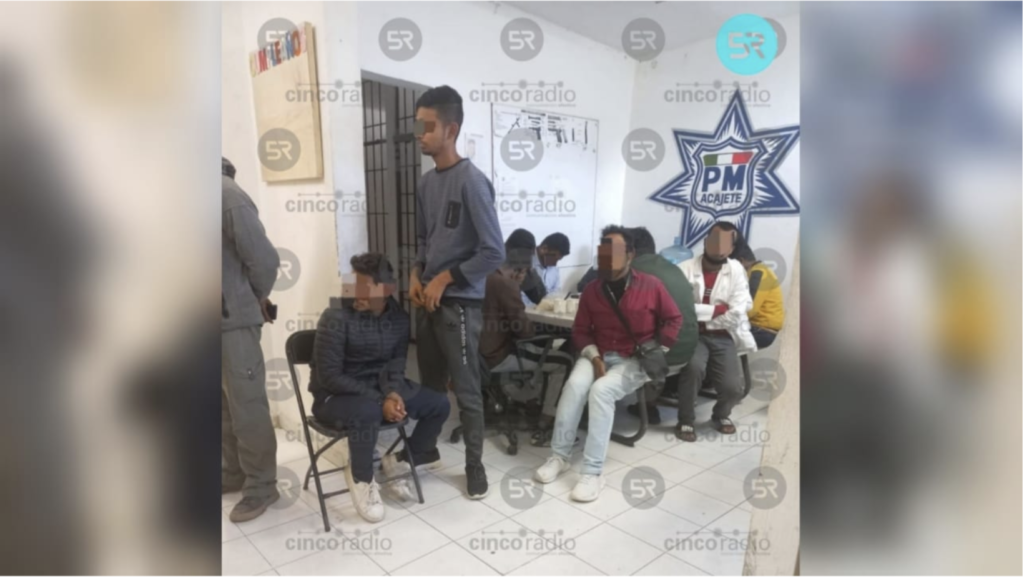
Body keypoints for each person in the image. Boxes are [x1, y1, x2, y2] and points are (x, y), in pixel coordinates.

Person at [534, 226, 682, 502]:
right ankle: (559, 455)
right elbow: (580, 330)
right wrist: (594, 357)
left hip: (634, 358)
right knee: (574, 386)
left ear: (630, 254)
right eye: (604, 250)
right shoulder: (593, 289)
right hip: (598, 353)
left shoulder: (651, 286)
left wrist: (657, 349)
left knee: (601, 391)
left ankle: (593, 472)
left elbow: (674, 319)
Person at [409, 85, 505, 500]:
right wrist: (416, 274)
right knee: (430, 384)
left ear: (451, 130)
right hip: (427, 301)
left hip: (460, 304)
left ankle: (474, 466)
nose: (419, 134)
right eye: (417, 126)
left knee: (466, 390)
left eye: (427, 127)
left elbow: (494, 251)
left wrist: (445, 278)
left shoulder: (473, 182)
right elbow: (423, 240)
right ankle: (425, 449)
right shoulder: (425, 184)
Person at [309, 253, 450, 523]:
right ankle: (362, 478)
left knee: (439, 404)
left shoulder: (399, 319)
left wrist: (393, 392)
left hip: (378, 388)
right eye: (353, 284)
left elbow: (396, 365)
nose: (354, 292)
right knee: (369, 412)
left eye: (364, 287)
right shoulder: (335, 316)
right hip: (333, 396)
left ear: (385, 290)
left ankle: (400, 461)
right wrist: (379, 400)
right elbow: (329, 377)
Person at [221, 157, 281, 522]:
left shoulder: (227, 196)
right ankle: (234, 473)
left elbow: (265, 260)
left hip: (234, 324)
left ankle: (262, 486)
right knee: (222, 407)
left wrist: (253, 297)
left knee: (246, 407)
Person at [675, 222, 757, 442]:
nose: (720, 248)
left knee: (733, 388)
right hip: (693, 334)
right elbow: (681, 308)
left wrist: (704, 314)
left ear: (732, 248)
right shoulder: (684, 269)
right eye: (715, 241)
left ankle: (720, 415)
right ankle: (685, 420)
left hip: (723, 334)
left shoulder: (737, 270)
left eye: (726, 243)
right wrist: (718, 310)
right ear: (706, 241)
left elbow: (738, 311)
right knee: (693, 369)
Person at [626, 227, 699, 424]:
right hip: (686, 351)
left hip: (661, 355)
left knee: (584, 348)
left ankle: (580, 411)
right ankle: (649, 404)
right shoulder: (673, 268)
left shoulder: (632, 270)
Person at [731, 236, 784, 349]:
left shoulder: (758, 273)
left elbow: (750, 308)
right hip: (759, 328)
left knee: (716, 340)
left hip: (761, 330)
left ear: (740, 261)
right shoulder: (758, 271)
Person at [522, 232, 570, 305]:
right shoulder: (525, 264)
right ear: (544, 248)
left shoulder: (554, 269)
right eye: (554, 258)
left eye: (558, 260)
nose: (555, 263)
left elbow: (555, 292)